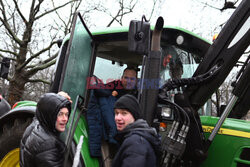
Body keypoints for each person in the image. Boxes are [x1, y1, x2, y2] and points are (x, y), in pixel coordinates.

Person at [87, 67, 138, 158]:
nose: (128, 81)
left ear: (136, 81)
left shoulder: (140, 94)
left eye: (132, 79)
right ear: (121, 78)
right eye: (126, 78)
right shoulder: (111, 87)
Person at [20, 92, 71, 167]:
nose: (65, 119)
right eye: (60, 114)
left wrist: (58, 100)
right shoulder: (49, 146)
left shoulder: (36, 125)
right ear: (50, 114)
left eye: (66, 114)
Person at [112, 94, 162, 167]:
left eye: (124, 113)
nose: (118, 118)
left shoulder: (135, 143)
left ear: (134, 115)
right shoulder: (139, 136)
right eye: (116, 113)